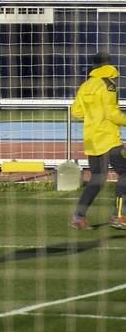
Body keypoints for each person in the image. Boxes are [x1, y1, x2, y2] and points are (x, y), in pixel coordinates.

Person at [69, 52, 126, 230]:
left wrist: (93, 115)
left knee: (97, 178)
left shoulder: (86, 85)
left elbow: (76, 112)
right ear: (110, 65)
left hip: (91, 138)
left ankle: (78, 217)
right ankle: (118, 216)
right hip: (107, 138)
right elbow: (112, 114)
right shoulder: (108, 85)